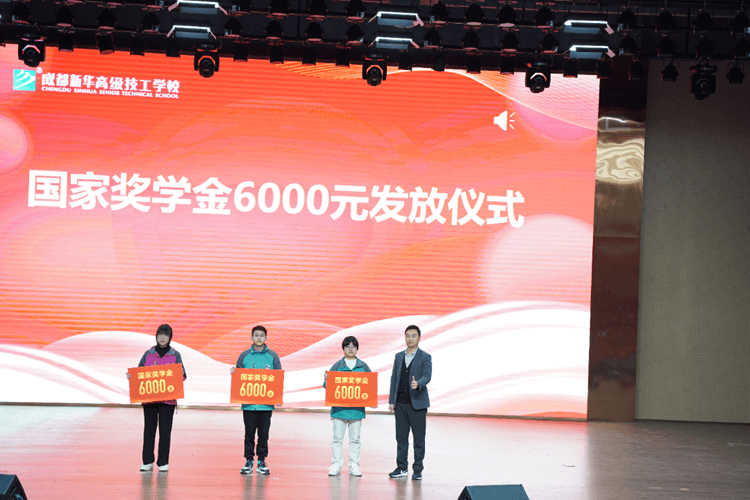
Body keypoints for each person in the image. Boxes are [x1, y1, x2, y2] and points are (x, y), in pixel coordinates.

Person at [127, 324, 187, 473]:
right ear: (156, 336)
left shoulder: (175, 354)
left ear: (170, 337)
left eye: (165, 335)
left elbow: (183, 375)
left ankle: (163, 462)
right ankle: (147, 461)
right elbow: (139, 373)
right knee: (149, 430)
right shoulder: (148, 354)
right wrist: (132, 377)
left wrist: (178, 375)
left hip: (168, 401)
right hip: (150, 399)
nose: (162, 338)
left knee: (165, 432)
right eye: (160, 334)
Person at [231, 325, 282, 475]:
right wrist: (234, 373)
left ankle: (261, 461)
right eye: (256, 335)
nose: (259, 338)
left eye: (261, 335)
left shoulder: (273, 356)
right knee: (249, 434)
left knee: (263, 434)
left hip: (266, 405)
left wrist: (278, 397)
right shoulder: (244, 356)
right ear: (251, 337)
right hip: (249, 405)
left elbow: (278, 378)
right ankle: (248, 460)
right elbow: (239, 376)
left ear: (266, 338)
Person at [323, 336, 373, 477]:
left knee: (355, 439)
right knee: (337, 439)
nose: (350, 349)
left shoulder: (363, 366)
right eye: (347, 347)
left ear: (357, 348)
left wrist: (372, 400)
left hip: (356, 411)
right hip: (340, 410)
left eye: (353, 347)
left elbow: (370, 385)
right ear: (343, 349)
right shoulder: (337, 366)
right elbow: (328, 387)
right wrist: (326, 380)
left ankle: (354, 465)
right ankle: (336, 464)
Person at [388, 325, 432, 481]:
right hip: (400, 404)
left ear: (419, 338)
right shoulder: (398, 356)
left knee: (419, 439)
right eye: (408, 335)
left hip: (418, 405)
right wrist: (391, 401)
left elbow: (427, 376)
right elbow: (394, 379)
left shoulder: (425, 357)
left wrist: (418, 383)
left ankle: (418, 470)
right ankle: (402, 467)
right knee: (401, 438)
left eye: (413, 335)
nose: (410, 338)